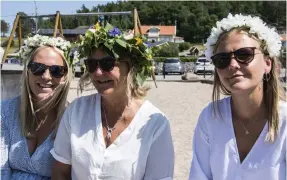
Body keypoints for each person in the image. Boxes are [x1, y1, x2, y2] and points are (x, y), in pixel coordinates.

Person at [51, 23, 174, 180]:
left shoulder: (155, 124)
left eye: (107, 64)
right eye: (91, 64)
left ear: (130, 67)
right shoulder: (76, 111)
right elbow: (60, 171)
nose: (97, 72)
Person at [189, 14, 286, 180]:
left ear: (267, 64)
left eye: (244, 54)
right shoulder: (210, 117)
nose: (233, 65)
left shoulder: (284, 121)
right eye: (222, 59)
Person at [1, 34, 73, 179]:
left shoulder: (73, 119)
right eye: (37, 68)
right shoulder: (5, 111)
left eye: (56, 70)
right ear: (27, 71)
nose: (46, 76)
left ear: (65, 76)